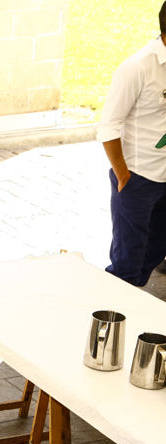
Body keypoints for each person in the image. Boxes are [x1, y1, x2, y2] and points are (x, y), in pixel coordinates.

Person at [97, 2, 166, 287]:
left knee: (155, 249)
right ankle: (114, 306)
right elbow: (108, 126)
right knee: (127, 262)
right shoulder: (137, 67)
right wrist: (123, 175)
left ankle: (135, 299)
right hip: (137, 177)